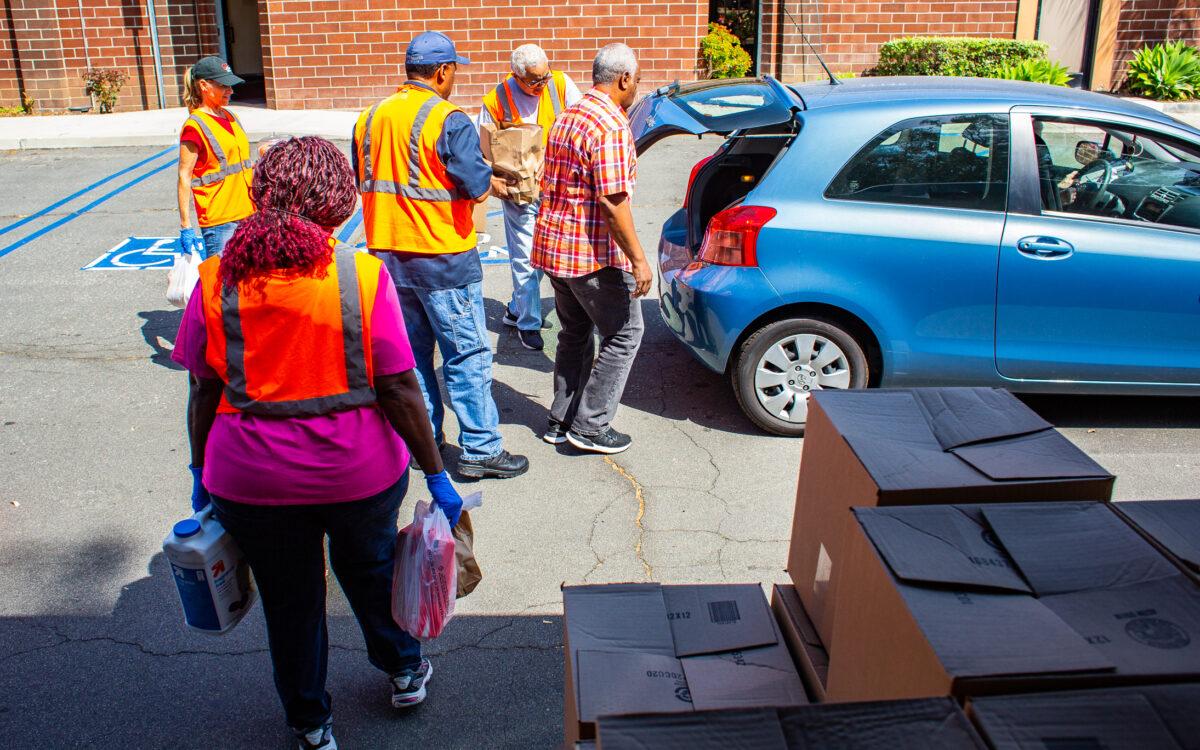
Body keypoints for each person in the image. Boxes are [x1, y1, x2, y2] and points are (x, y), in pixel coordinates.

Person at [173, 137, 464, 750]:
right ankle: (404, 669)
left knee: (290, 601)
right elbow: (401, 390)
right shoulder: (360, 275)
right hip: (358, 474)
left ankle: (310, 721)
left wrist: (201, 469)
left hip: (250, 480)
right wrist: (437, 474)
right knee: (372, 571)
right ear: (336, 201)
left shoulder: (216, 279)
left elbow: (203, 390)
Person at [353, 31, 529, 479]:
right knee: (466, 356)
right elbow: (473, 186)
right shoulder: (447, 119)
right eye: (454, 72)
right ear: (443, 71)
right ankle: (481, 448)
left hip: (388, 259)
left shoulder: (369, 118)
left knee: (411, 360)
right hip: (443, 259)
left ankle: (424, 444)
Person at [531, 44, 651, 455]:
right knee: (625, 334)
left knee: (575, 333)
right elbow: (613, 201)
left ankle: (560, 419)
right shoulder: (612, 126)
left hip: (555, 250)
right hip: (589, 255)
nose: (636, 86)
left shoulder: (569, 114)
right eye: (636, 79)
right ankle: (591, 425)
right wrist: (638, 260)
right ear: (623, 79)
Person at [477, 44, 583, 350]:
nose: (541, 85)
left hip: (557, 187)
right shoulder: (496, 99)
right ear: (516, 76)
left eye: (544, 77)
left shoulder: (560, 85)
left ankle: (517, 309)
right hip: (519, 192)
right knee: (525, 256)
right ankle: (528, 323)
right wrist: (493, 179)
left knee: (545, 255)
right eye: (534, 81)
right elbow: (482, 147)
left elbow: (578, 126)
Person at [177, 56, 254, 259]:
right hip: (221, 222)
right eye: (224, 85)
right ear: (204, 85)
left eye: (231, 86)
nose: (230, 90)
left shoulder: (230, 117)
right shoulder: (195, 126)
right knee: (221, 287)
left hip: (248, 214)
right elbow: (184, 176)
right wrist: (186, 225)